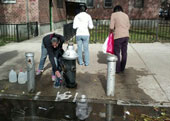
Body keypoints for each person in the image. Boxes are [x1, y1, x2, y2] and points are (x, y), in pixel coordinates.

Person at [110, 5, 130, 73]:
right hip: (126, 36)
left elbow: (111, 27)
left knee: (117, 53)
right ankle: (122, 68)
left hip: (118, 36)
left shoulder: (113, 15)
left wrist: (112, 32)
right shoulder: (126, 15)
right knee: (124, 52)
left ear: (115, 10)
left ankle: (117, 69)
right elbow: (128, 26)